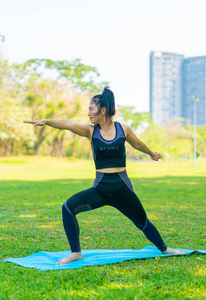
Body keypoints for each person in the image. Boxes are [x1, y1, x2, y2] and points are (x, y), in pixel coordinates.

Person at [24, 86, 184, 264]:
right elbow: (68, 124)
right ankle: (75, 252)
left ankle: (164, 249)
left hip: (122, 189)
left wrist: (152, 154)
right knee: (67, 208)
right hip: (100, 189)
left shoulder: (123, 129)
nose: (88, 114)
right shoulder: (91, 131)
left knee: (142, 222)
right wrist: (46, 121)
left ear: (103, 110)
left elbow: (137, 144)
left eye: (91, 109)